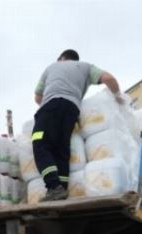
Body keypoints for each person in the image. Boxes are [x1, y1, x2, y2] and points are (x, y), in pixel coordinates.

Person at [31, 49, 122, 201]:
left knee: (40, 143)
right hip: (72, 111)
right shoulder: (86, 67)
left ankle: (54, 187)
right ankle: (62, 190)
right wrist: (118, 96)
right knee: (61, 149)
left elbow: (38, 97)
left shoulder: (52, 67)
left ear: (61, 58)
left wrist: (48, 109)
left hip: (51, 107)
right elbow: (109, 78)